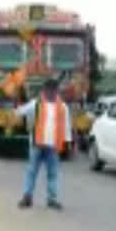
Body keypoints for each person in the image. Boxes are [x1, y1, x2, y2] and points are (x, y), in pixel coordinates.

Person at [15, 78, 72, 211]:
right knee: (32, 171)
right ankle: (27, 197)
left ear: (56, 91)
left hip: (53, 146)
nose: (51, 93)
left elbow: (66, 126)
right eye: (48, 90)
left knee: (52, 173)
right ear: (44, 91)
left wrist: (67, 142)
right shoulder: (35, 104)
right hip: (37, 145)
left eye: (53, 90)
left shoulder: (63, 107)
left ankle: (52, 199)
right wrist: (17, 104)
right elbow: (19, 112)